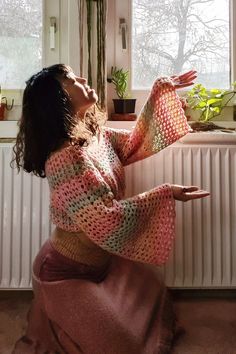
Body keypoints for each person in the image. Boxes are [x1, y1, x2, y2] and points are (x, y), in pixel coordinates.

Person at [12, 64, 209, 354]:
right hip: (64, 274)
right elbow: (107, 221)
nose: (81, 79)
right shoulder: (64, 160)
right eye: (70, 79)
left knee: (153, 293)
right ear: (59, 99)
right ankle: (54, 315)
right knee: (124, 346)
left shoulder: (94, 135)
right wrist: (167, 193)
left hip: (100, 264)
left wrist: (159, 91)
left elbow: (134, 142)